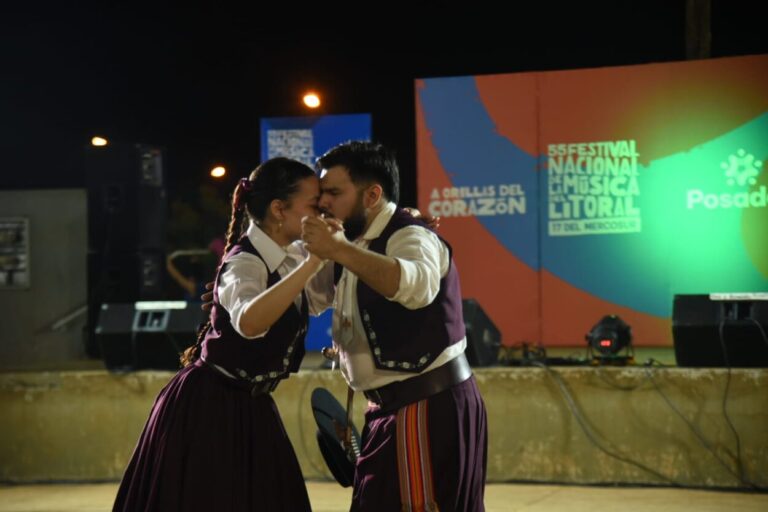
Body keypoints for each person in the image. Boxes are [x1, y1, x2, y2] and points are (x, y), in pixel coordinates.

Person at [113, 157, 333, 511]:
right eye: (314, 205)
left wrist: (398, 230)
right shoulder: (243, 261)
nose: (322, 212)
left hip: (253, 406)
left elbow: (335, 289)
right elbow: (249, 321)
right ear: (279, 209)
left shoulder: (292, 255)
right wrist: (312, 263)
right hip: (207, 408)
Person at [301, 141, 487, 511]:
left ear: (372, 194)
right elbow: (308, 297)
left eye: (334, 193)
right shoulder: (350, 239)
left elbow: (414, 287)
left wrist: (338, 249)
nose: (324, 203)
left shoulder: (411, 234)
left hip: (423, 408)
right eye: (322, 194)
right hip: (389, 412)